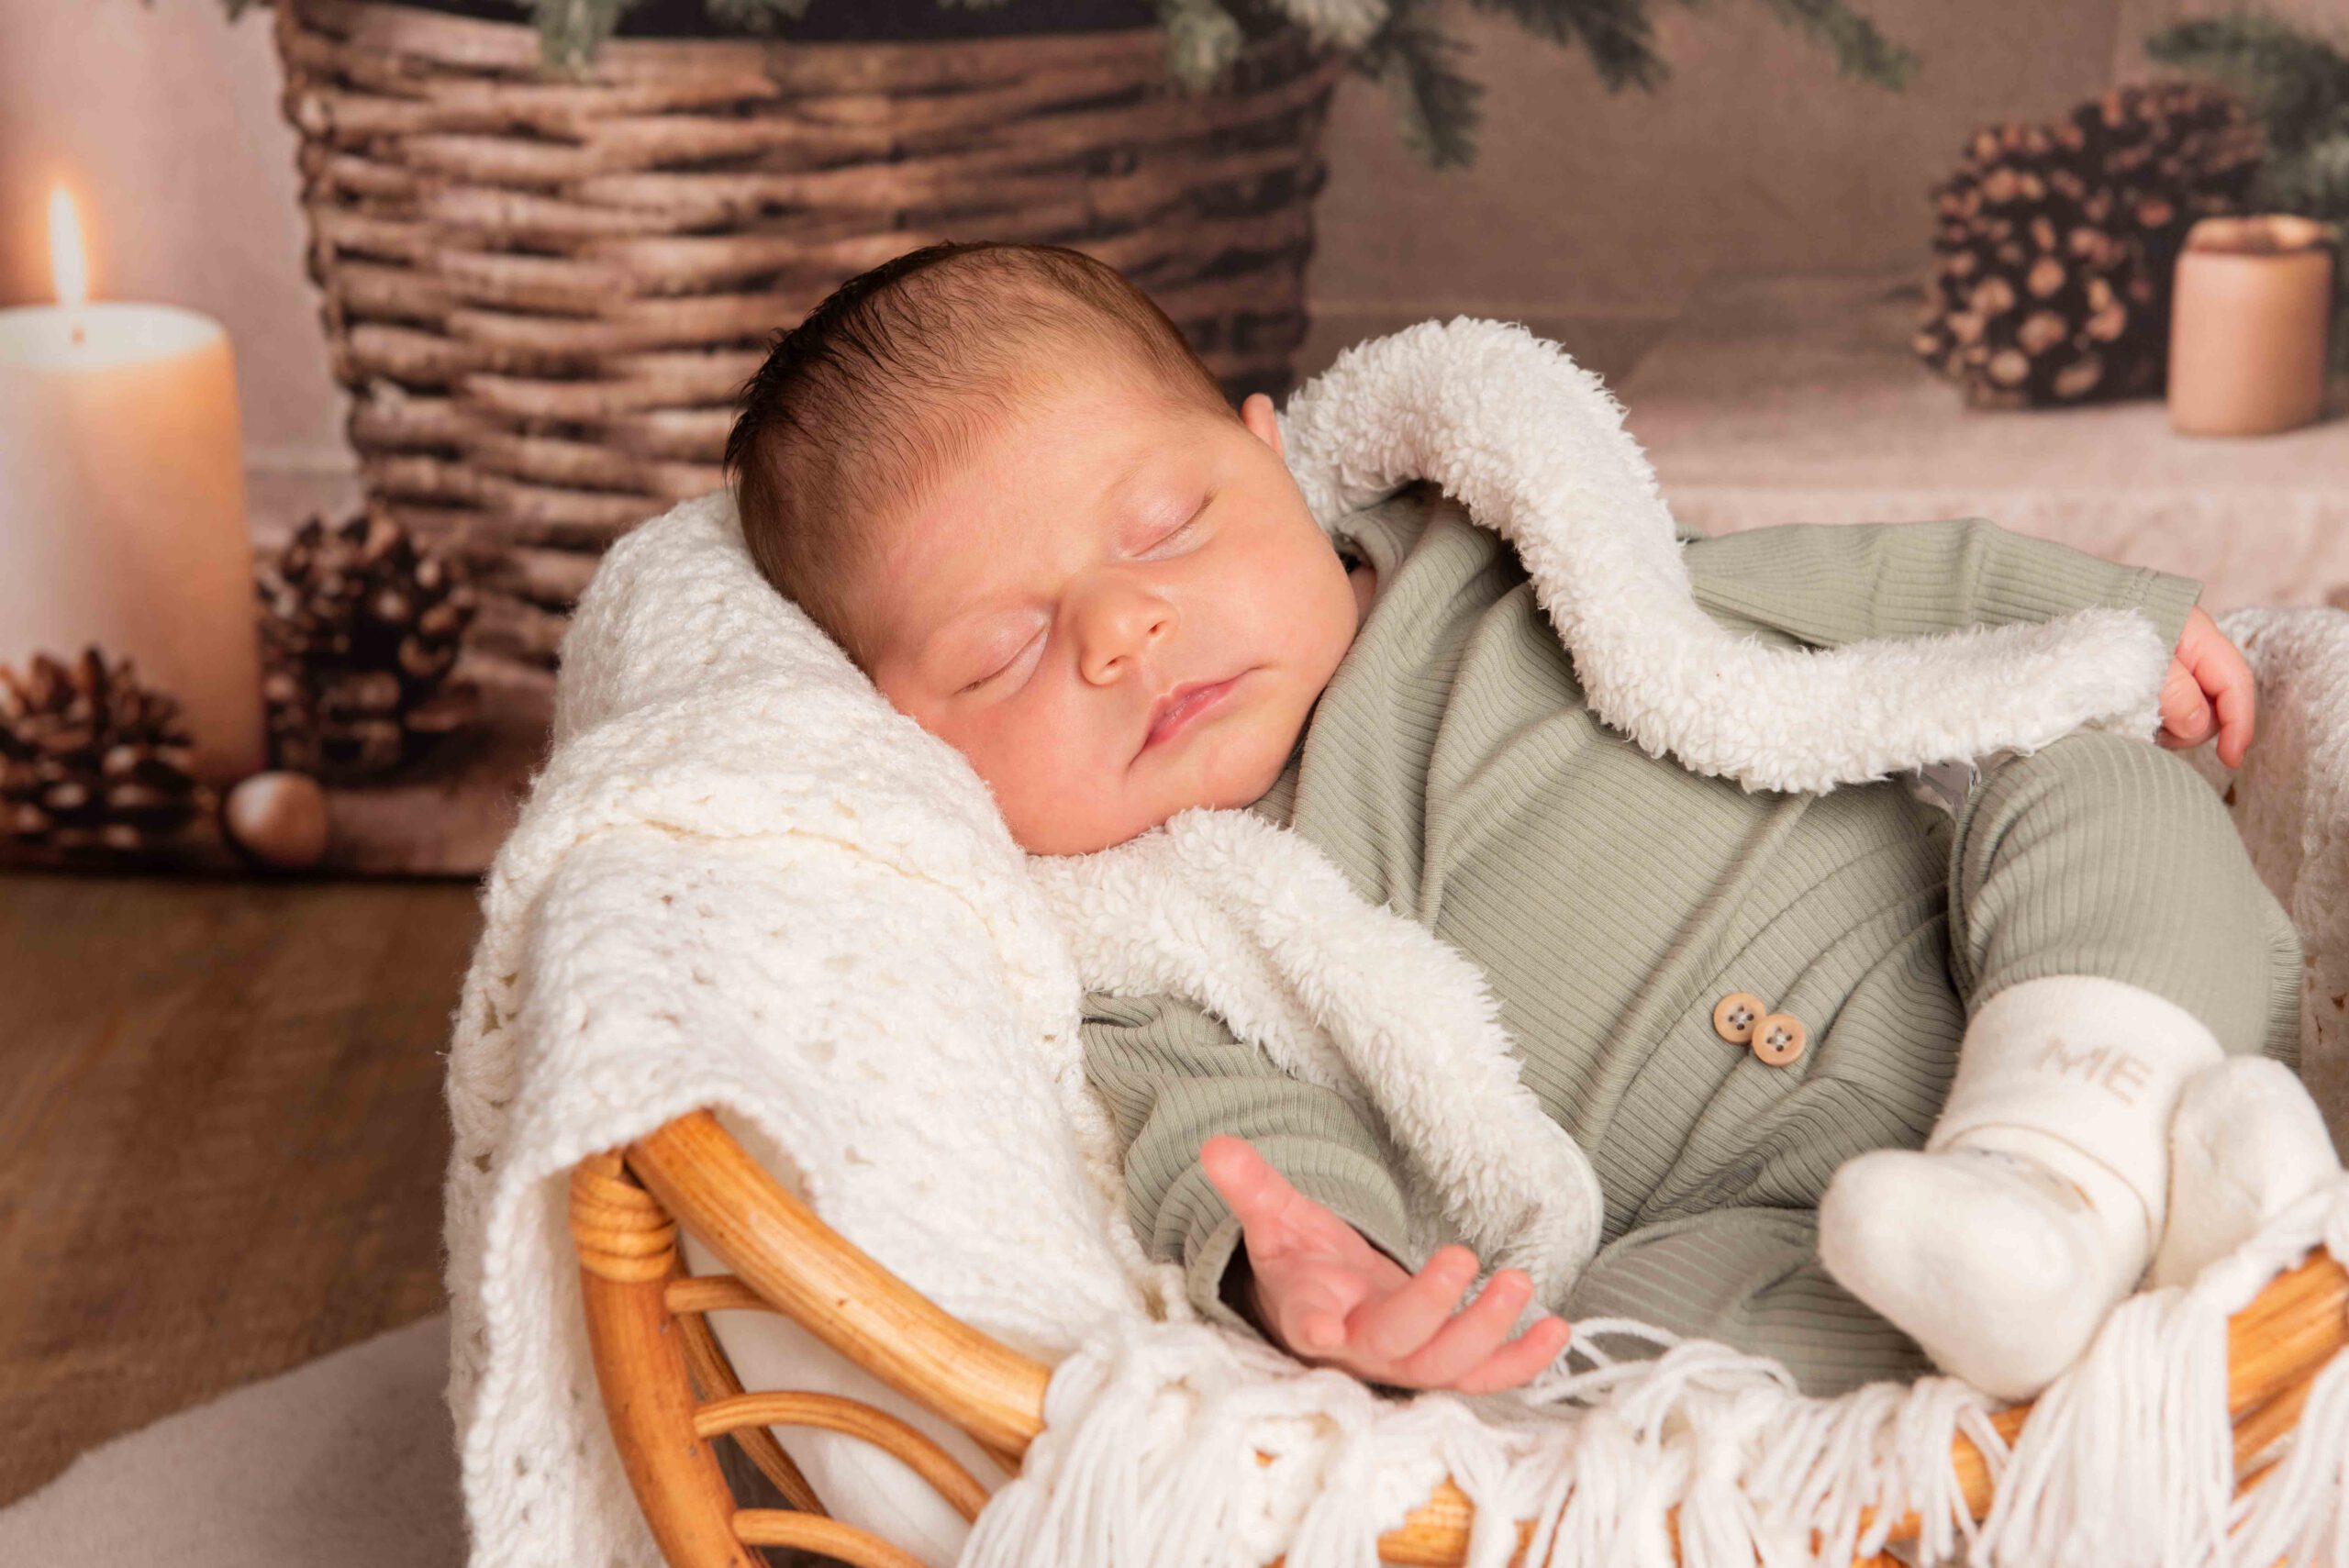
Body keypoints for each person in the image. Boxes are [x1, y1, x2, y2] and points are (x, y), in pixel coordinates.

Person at [721, 238, 2314, 1402]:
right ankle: (2160, 1233)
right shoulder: (1152, 933)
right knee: (1611, 1354)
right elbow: (1224, 1134)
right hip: (1751, 1211)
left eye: (1169, 523)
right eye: (1001, 652)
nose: (1118, 629)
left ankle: (2072, 1154)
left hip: (1972, 949)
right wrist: (1309, 1265)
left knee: (2091, 778)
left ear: (1275, 462)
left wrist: (2097, 614)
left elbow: (1828, 585)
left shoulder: (1507, 560)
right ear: (899, 737)